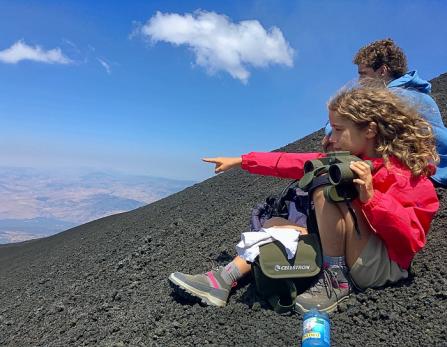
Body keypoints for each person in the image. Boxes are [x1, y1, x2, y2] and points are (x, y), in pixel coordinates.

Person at [168, 85, 439, 313]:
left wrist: (372, 199)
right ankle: (222, 280)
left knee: (324, 182)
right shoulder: (346, 162)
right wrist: (242, 160)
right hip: (355, 250)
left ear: (368, 130)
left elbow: (412, 239)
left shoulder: (408, 174)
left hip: (381, 266)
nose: (330, 138)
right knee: (275, 222)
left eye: (337, 129)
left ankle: (336, 280)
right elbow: (289, 162)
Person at [324, 38, 447, 187]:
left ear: (382, 71)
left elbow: (346, 123)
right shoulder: (419, 94)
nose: (359, 81)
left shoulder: (395, 97)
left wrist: (334, 129)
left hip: (427, 174)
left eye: (363, 74)